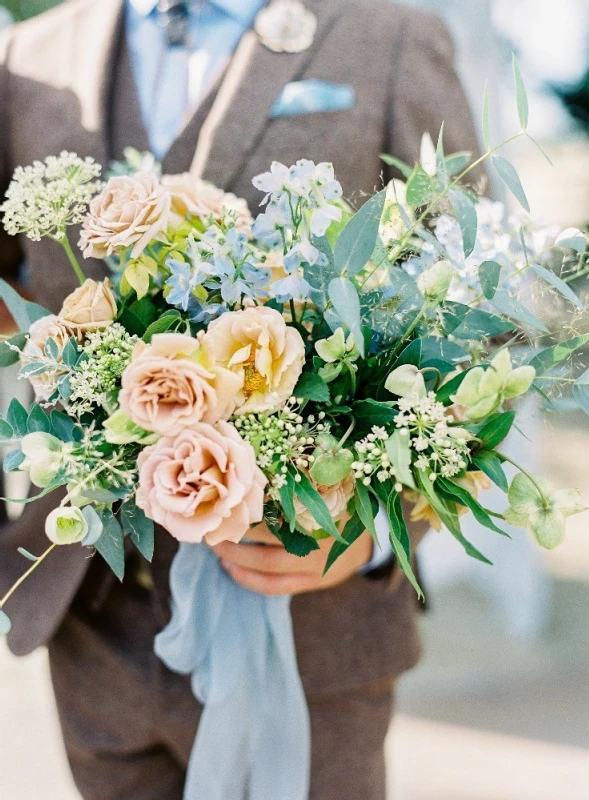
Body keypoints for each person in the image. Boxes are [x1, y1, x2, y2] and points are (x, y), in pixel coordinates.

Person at [0, 1, 480, 797]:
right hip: (93, 627)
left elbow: (473, 324)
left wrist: (377, 537)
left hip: (311, 636)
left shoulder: (390, 34)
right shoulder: (32, 54)